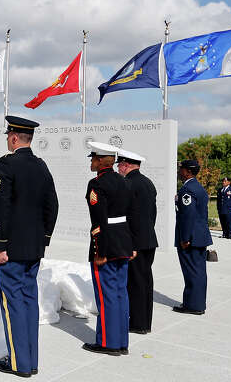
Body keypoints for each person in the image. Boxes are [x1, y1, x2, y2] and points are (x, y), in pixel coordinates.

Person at [0, 116, 58, 377]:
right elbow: (53, 205)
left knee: (14, 304)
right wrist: (45, 239)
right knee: (29, 302)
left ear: (15, 137)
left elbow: (2, 207)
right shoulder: (41, 166)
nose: (8, 139)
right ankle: (31, 360)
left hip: (11, 249)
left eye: (9, 135)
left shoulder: (6, 164)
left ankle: (18, 363)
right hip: (34, 249)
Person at [83, 142, 134, 356]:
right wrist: (131, 245)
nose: (92, 162)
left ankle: (108, 343)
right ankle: (121, 341)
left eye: (93, 158)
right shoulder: (123, 182)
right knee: (121, 293)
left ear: (101, 160)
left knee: (106, 296)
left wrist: (100, 251)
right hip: (123, 242)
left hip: (107, 244)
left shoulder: (97, 184)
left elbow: (99, 221)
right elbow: (130, 216)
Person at [117, 149, 158, 334]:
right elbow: (152, 214)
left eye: (120, 165)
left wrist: (130, 243)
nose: (118, 168)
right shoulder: (147, 183)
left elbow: (129, 217)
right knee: (145, 282)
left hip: (135, 243)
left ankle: (138, 323)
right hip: (148, 239)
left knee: (135, 283)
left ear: (126, 165)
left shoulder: (128, 184)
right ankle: (145, 322)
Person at [174, 159, 213, 315]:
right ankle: (195, 302)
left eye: (181, 169)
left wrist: (185, 238)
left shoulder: (188, 190)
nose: (179, 171)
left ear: (188, 172)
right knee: (198, 271)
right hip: (199, 236)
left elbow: (188, 216)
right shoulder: (196, 187)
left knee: (192, 272)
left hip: (191, 238)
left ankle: (194, 305)